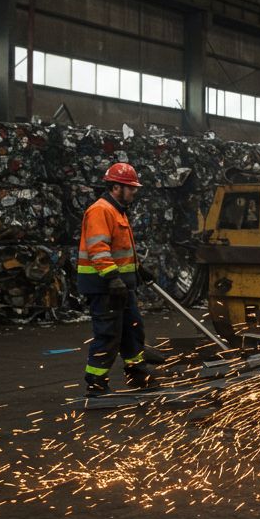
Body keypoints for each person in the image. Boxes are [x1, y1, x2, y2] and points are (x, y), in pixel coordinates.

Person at [77, 162, 156, 396]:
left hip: (121, 286)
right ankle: (96, 383)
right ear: (115, 187)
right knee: (108, 334)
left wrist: (138, 269)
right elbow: (98, 248)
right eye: (130, 188)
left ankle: (137, 374)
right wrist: (112, 277)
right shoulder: (100, 210)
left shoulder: (117, 210)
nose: (134, 192)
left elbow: (120, 249)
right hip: (104, 286)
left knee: (133, 330)